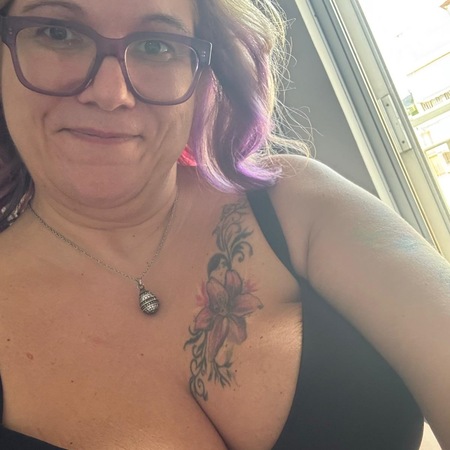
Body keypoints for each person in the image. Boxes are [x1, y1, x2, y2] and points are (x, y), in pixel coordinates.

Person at [0, 0, 449, 448]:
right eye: (58, 33)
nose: (110, 92)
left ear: (203, 75)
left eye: (157, 45)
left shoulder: (299, 204)